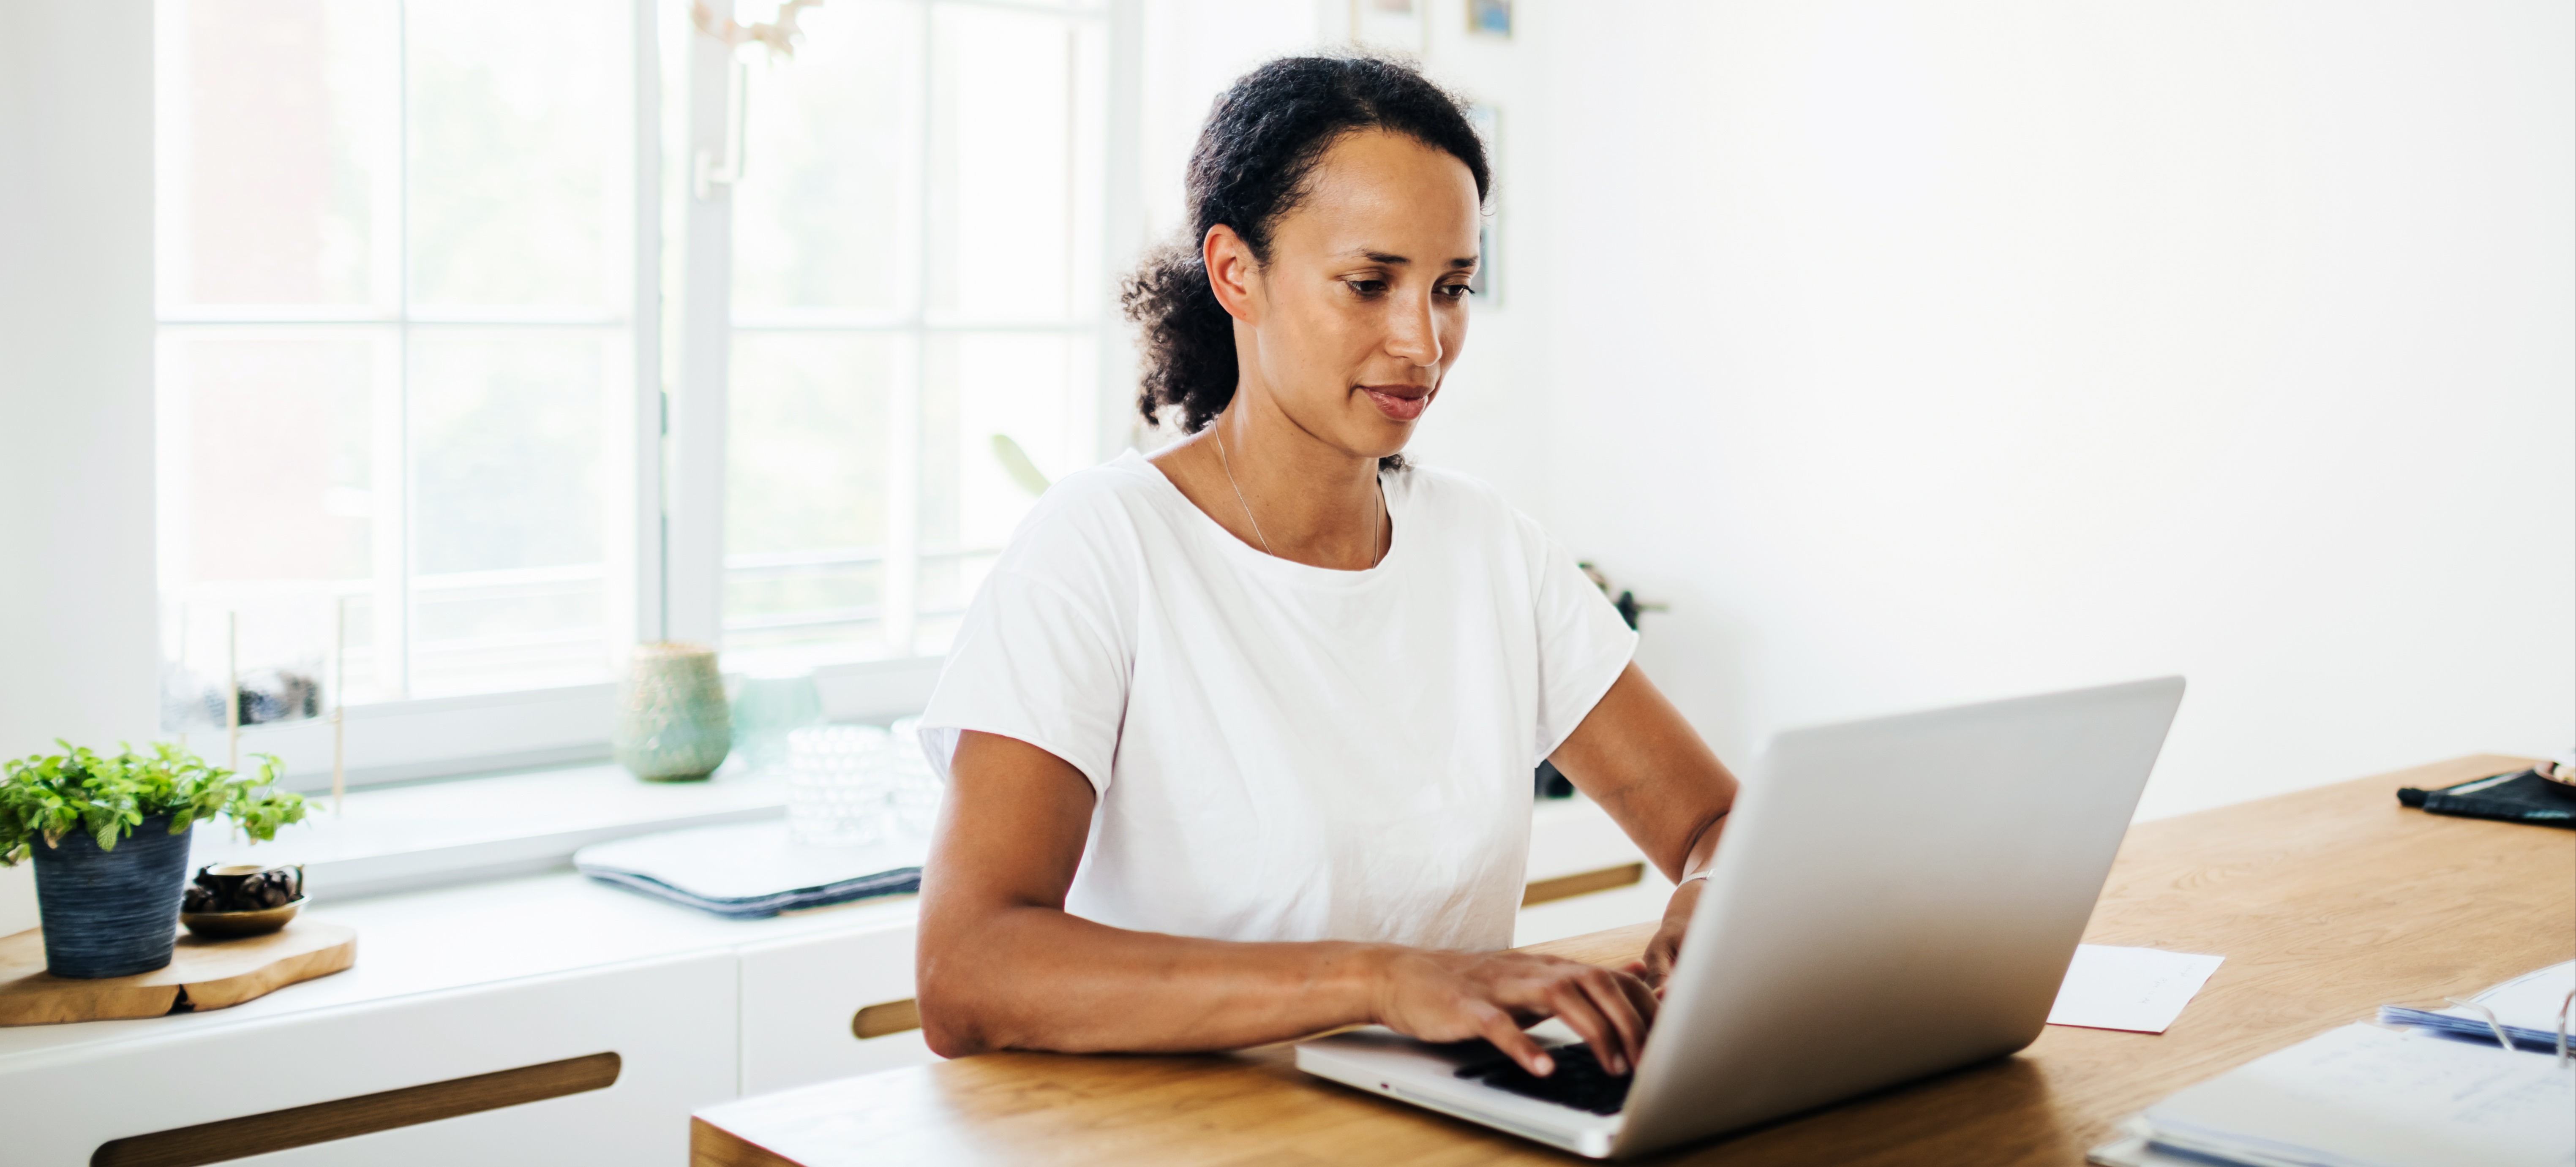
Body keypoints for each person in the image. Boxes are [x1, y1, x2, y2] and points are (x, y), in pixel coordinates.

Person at [913, 54, 1739, 1081]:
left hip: (1448, 1131)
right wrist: (1384, 979)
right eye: (1369, 283)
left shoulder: (1489, 549)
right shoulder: (1102, 544)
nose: (1423, 342)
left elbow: (1715, 821)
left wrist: (1716, 893)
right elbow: (968, 968)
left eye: (1451, 289)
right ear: (1235, 273)